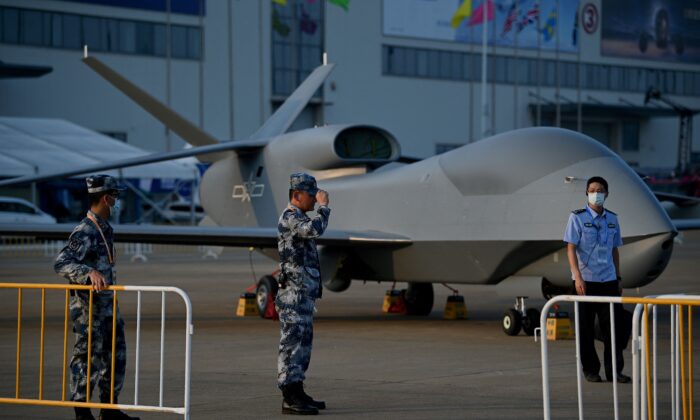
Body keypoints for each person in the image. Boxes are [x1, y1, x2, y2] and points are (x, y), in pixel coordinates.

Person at [54, 175, 139, 420]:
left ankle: (109, 409)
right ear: (106, 198)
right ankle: (82, 413)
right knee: (86, 360)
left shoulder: (105, 228)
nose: (117, 200)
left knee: (114, 358)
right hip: (88, 312)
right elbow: (61, 262)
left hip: (108, 309)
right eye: (115, 195)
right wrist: (88, 272)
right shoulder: (86, 230)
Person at [564, 176, 630, 384]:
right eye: (592, 189)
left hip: (608, 280)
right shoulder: (577, 218)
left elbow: (614, 249)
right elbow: (571, 248)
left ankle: (614, 371)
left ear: (607, 194)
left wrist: (618, 277)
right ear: (586, 193)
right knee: (585, 329)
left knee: (614, 329)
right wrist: (577, 277)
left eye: (600, 190)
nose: (596, 193)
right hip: (586, 281)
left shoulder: (612, 219)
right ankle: (591, 370)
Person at [276, 173, 331, 415]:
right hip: (293, 295)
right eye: (311, 195)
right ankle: (289, 395)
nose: (314, 199)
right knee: (291, 343)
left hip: (304, 294)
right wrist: (325, 208)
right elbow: (313, 230)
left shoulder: (298, 216)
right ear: (296, 195)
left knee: (303, 345)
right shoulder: (290, 218)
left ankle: (298, 390)